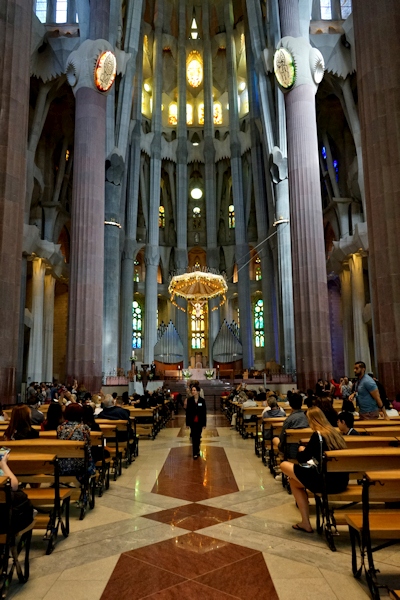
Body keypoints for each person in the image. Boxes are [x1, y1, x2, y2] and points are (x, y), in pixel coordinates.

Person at [280, 407, 348, 533]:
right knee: (293, 483)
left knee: (284, 465)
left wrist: (301, 450)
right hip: (341, 480)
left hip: (324, 481)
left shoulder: (318, 436)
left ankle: (306, 522)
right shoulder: (335, 433)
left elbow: (302, 458)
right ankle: (305, 523)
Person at [57, 404, 93, 479]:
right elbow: (88, 445)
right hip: (79, 465)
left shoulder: (60, 428)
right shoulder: (84, 428)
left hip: (62, 463)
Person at [273, 393, 308, 458]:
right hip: (306, 448)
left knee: (275, 439)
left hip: (291, 451)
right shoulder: (308, 416)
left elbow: (282, 438)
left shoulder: (289, 420)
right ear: (302, 402)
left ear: (290, 404)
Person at [186, 383, 207, 459]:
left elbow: (204, 413)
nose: (193, 391)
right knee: (194, 437)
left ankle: (197, 450)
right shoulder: (190, 400)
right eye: (192, 390)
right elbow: (187, 412)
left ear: (198, 391)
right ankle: (194, 453)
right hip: (192, 422)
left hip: (199, 422)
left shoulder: (202, 400)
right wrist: (187, 423)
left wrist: (204, 424)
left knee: (198, 437)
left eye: (194, 390)